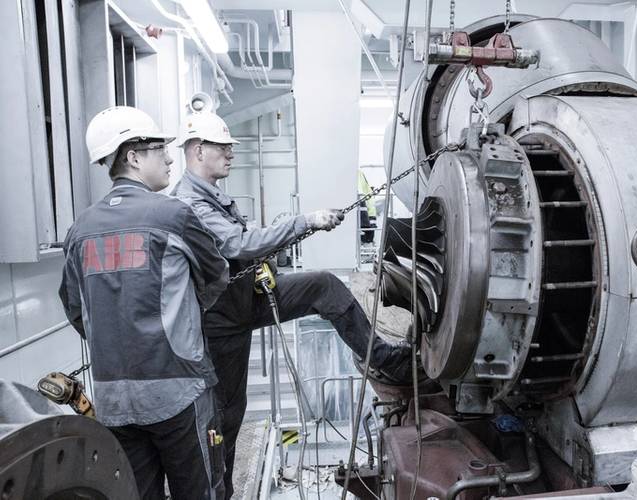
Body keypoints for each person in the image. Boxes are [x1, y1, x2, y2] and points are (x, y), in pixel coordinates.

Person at [172, 110, 413, 497]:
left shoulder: (210, 195)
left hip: (243, 298)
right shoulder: (190, 203)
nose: (231, 154)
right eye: (224, 147)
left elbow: (243, 240)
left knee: (323, 286)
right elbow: (237, 245)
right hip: (219, 319)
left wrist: (274, 242)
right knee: (225, 413)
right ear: (198, 150)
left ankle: (382, 355)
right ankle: (219, 492)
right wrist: (305, 221)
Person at [59, 106, 230, 500]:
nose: (170, 157)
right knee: (201, 491)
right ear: (133, 156)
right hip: (178, 389)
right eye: (159, 149)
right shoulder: (173, 215)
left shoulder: (79, 229)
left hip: (113, 400)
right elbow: (216, 275)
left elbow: (75, 307)